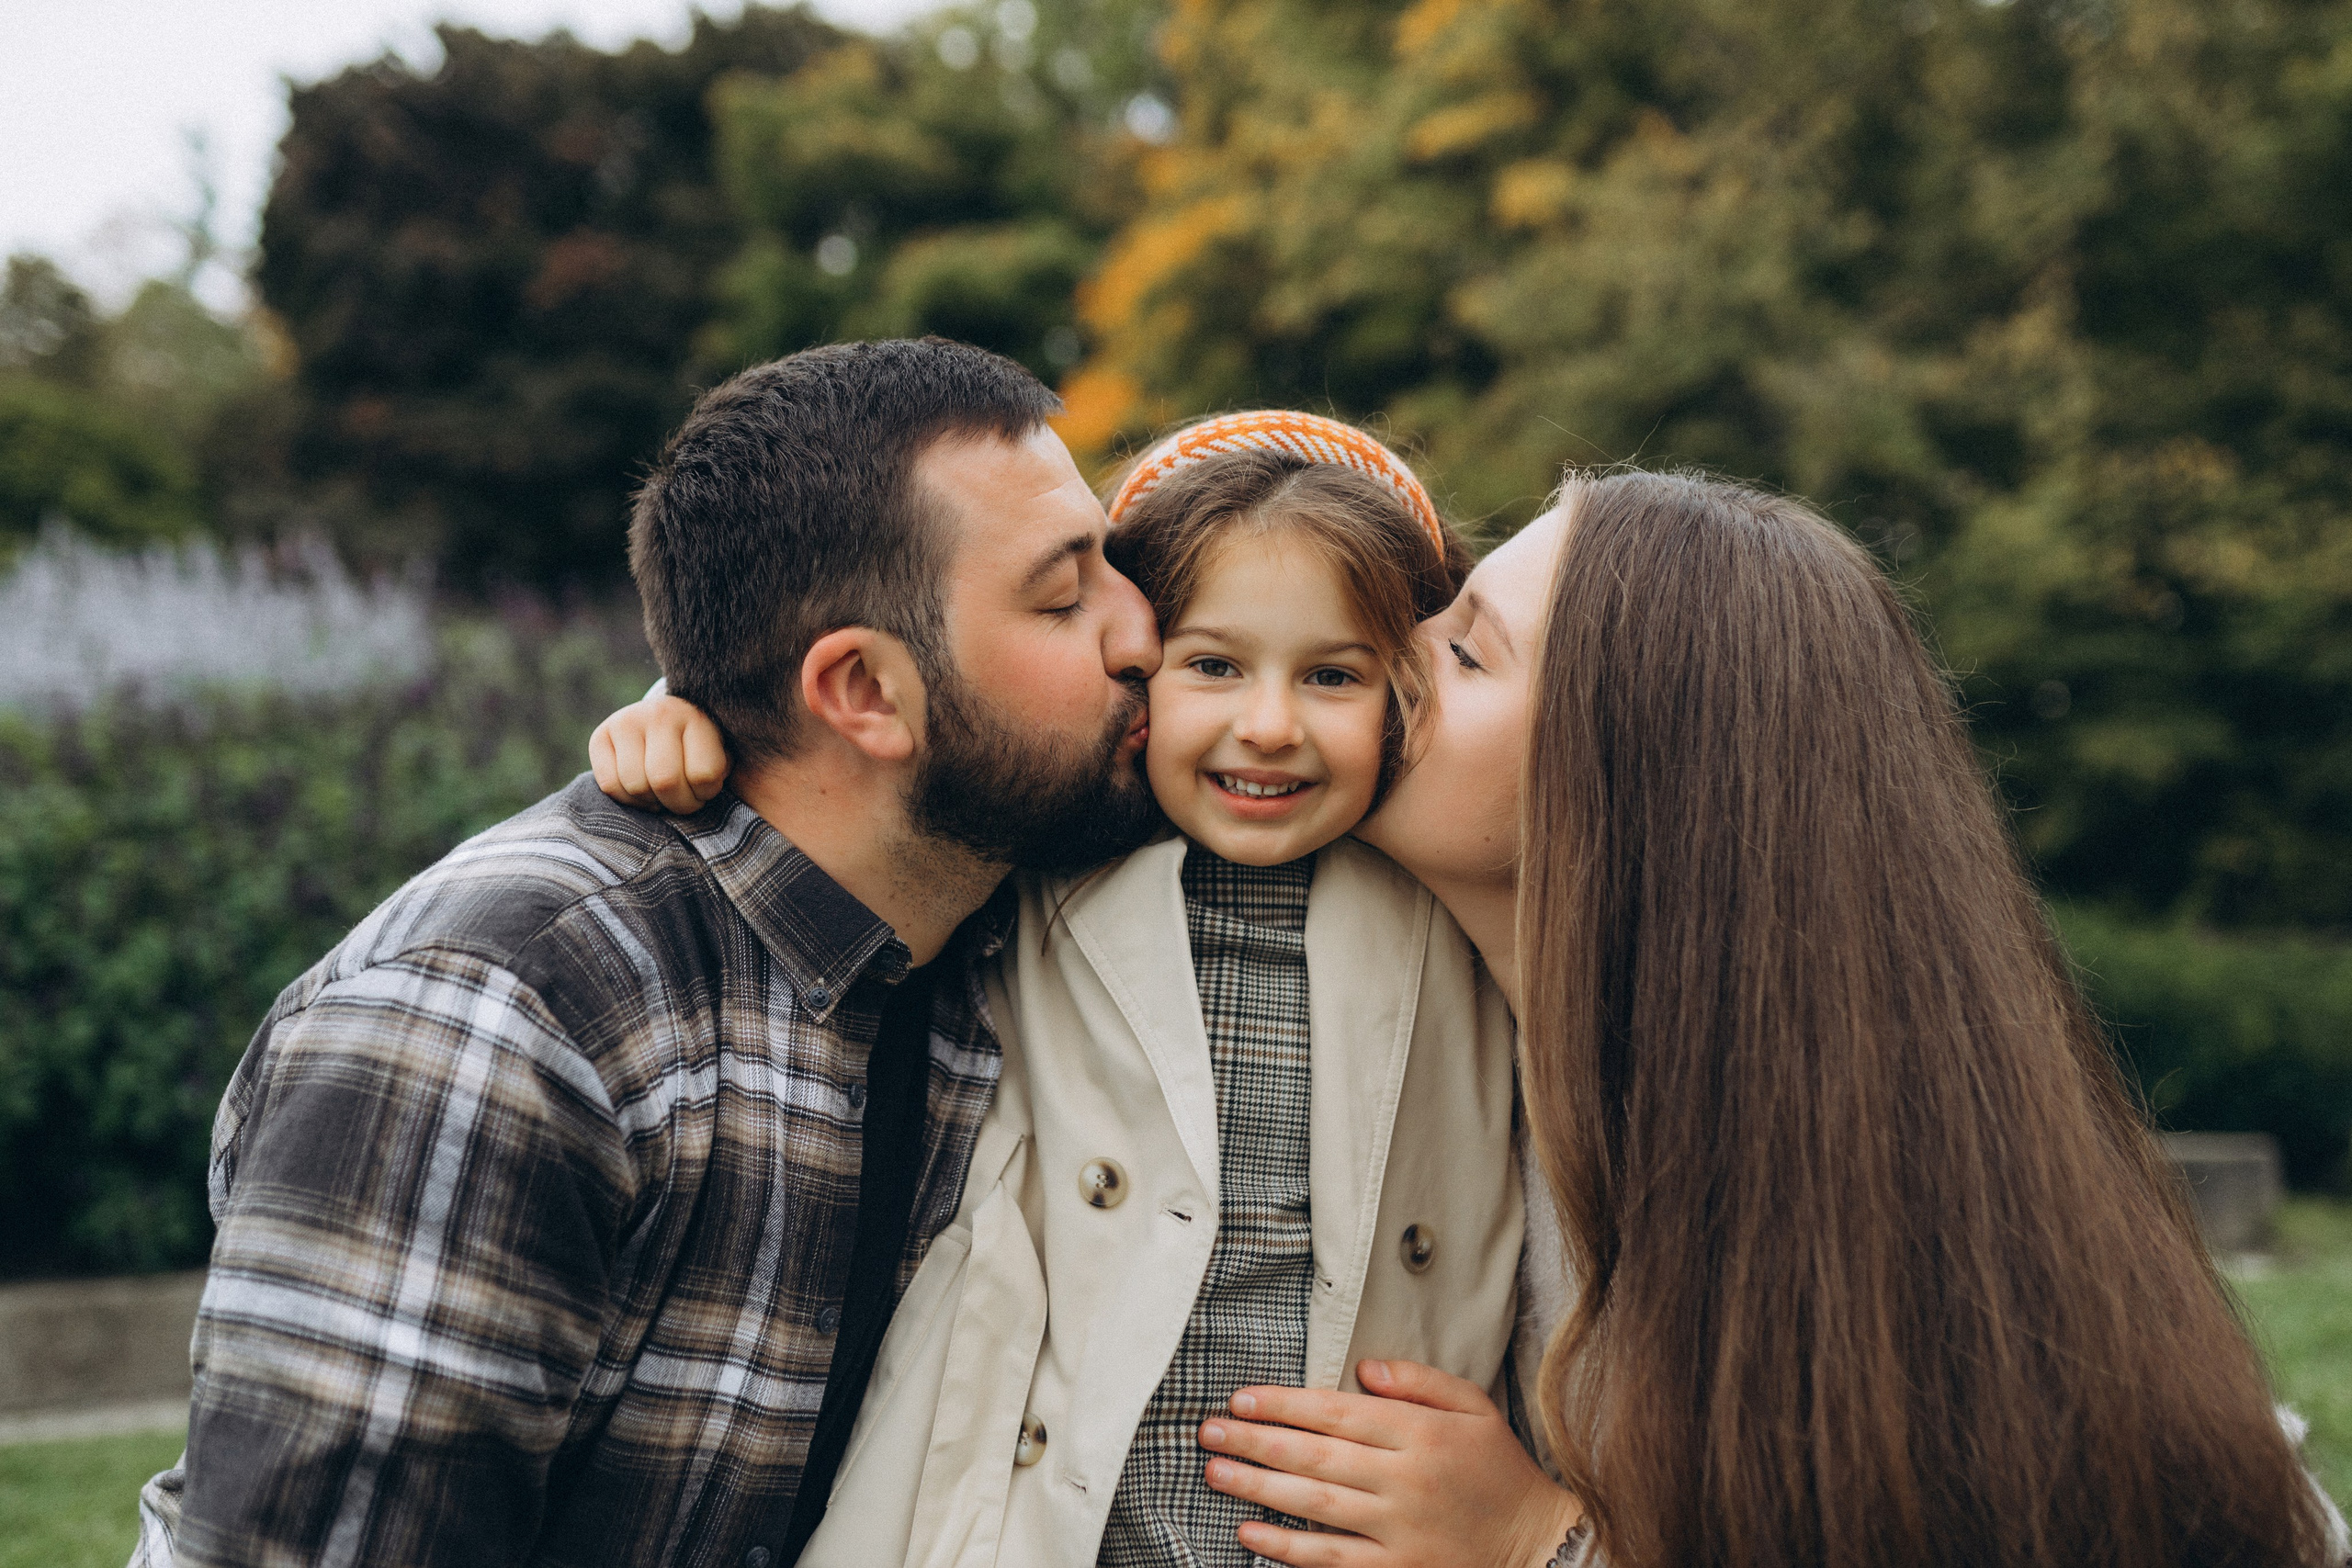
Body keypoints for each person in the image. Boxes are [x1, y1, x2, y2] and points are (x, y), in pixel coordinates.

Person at [1189, 470, 2351, 1568]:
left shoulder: (1879, 1193)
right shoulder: (1478, 1062)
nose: (1391, 647)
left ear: (1624, 781)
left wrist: (1541, 1542)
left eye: (1466, 650)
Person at [130, 338, 1164, 1568]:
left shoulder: (1002, 921)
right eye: (1062, 597)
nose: (1145, 632)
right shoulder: (501, 1013)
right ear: (862, 693)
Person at [590, 411, 1531, 1567]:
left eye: (1333, 674)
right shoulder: (1053, 850)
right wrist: (687, 713)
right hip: (1041, 1523)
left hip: (1346, 1522)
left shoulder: (1447, 881)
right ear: (1134, 667)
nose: (1268, 727)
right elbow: (905, 749)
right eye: (1212, 665)